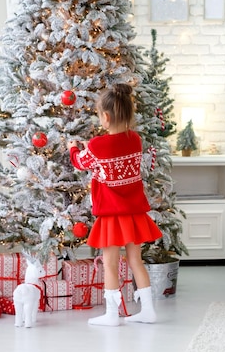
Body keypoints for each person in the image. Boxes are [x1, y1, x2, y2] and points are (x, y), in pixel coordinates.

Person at [68, 83, 162, 327]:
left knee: (110, 263)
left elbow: (80, 162)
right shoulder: (136, 140)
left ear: (105, 117)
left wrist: (73, 149)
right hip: (134, 214)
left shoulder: (98, 145)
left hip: (111, 215)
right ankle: (148, 310)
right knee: (136, 261)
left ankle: (112, 315)